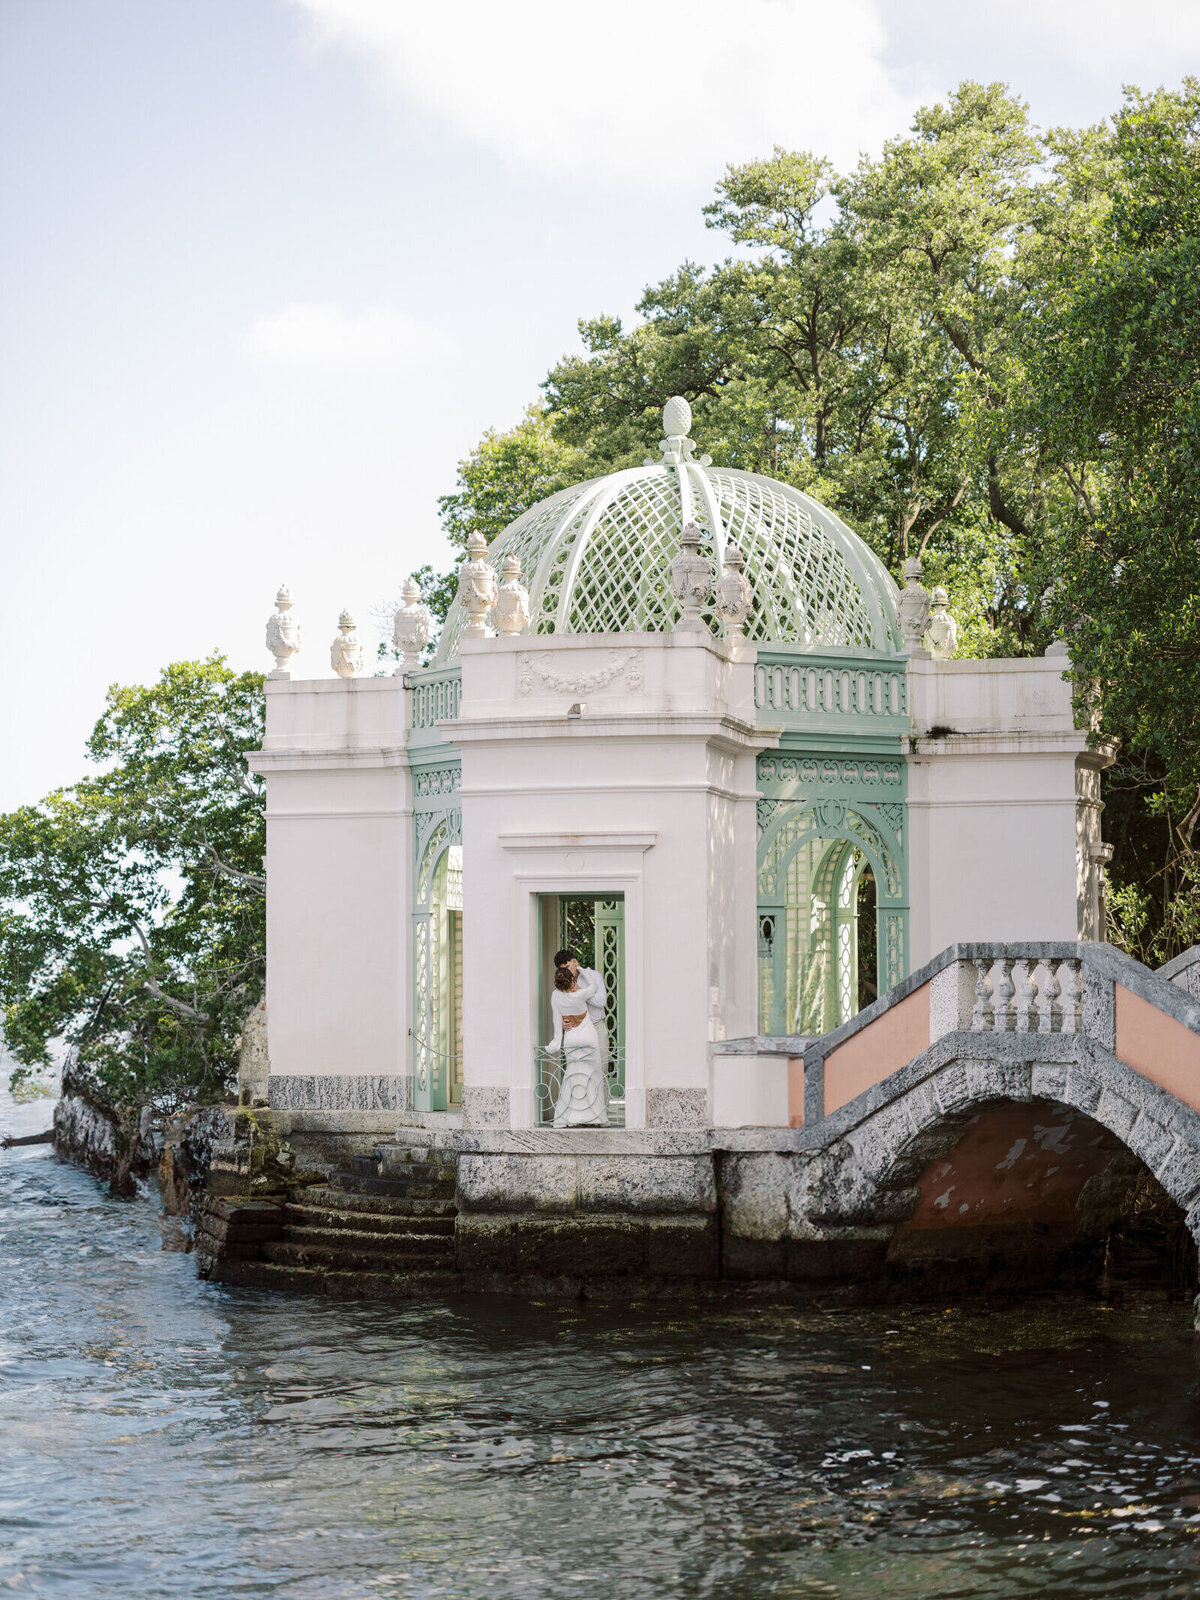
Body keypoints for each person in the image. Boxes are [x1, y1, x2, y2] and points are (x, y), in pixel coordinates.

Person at [545, 965, 608, 1128]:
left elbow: (555, 1020)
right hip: (588, 1037)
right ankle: (594, 1116)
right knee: (593, 1076)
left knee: (572, 1077)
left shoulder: (555, 996)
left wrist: (556, 1040)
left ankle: (568, 1116)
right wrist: (580, 968)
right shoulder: (580, 995)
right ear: (572, 981)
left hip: (571, 1039)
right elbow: (593, 986)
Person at [553, 947, 609, 1068]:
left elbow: (601, 1002)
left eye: (567, 967)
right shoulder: (562, 983)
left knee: (601, 1068)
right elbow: (561, 1006)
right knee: (579, 1069)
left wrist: (580, 991)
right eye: (562, 969)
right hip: (576, 1030)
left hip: (596, 1025)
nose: (566, 971)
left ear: (574, 961)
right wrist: (563, 1023)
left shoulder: (594, 976)